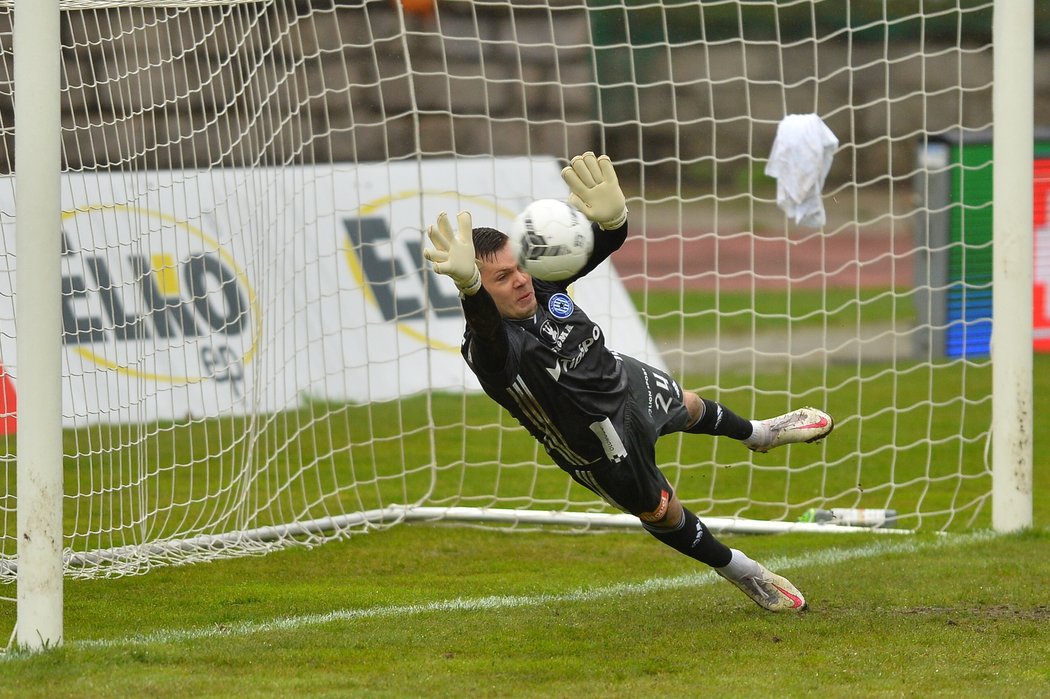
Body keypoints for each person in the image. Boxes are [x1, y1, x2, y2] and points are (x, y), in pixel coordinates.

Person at [423, 151, 834, 612]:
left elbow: (600, 245)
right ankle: (743, 571)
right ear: (480, 285)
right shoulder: (490, 349)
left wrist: (614, 220)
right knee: (662, 511)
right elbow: (487, 332)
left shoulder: (537, 284)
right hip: (597, 443)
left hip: (621, 378)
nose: (520, 280)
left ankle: (761, 434)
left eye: (518, 267)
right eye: (502, 277)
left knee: (691, 404)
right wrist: (472, 292)